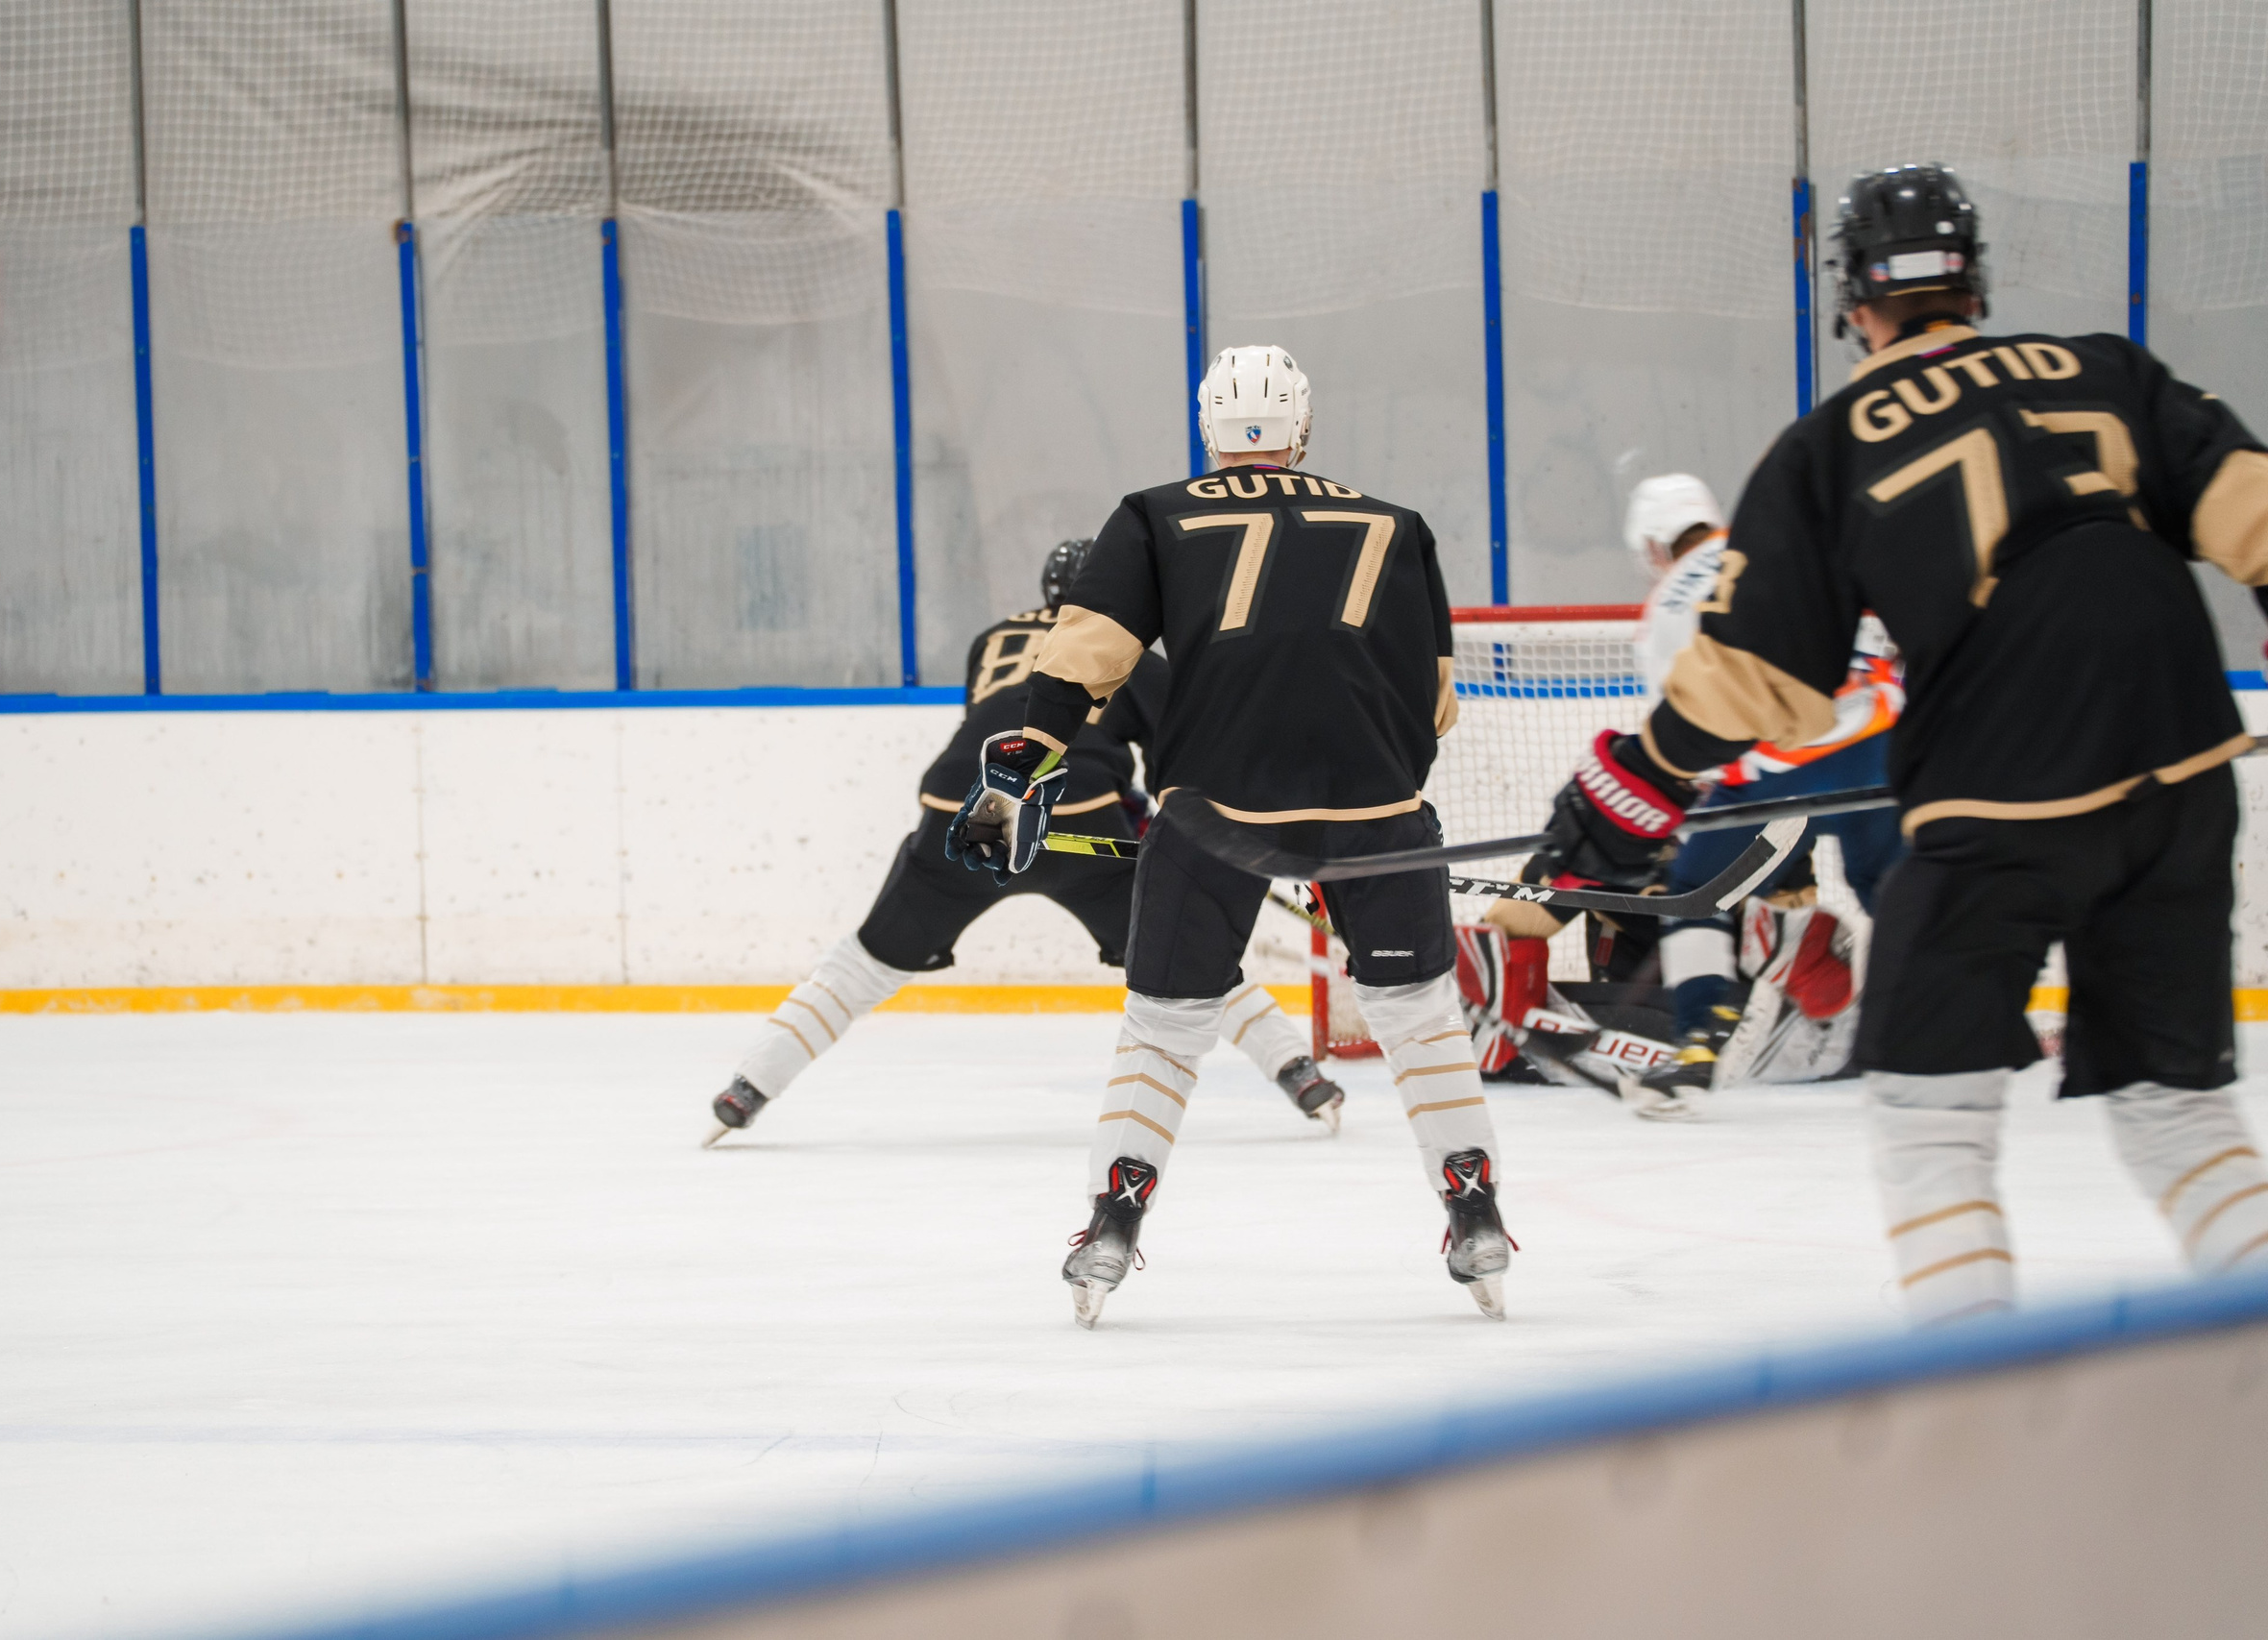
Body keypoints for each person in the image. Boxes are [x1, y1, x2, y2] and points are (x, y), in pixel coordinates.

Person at [1527, 163, 2268, 1323]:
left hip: (1996, 792)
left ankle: (1971, 1410)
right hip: (2180, 767)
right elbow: (2253, 511)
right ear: (1970, 281)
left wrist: (1640, 771)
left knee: (1930, 1114)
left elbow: (1763, 677)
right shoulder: (2106, 369)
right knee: (2177, 1109)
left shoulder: (1829, 448)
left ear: (1852, 297)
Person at [952, 346, 1512, 1327]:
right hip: (1376, 812)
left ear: (1208, 424)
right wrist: (1370, 798)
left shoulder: (1155, 514)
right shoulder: (1397, 524)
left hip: (1213, 811)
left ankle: (1113, 1223)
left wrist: (1015, 773)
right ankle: (1475, 1213)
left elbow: (1085, 658)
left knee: (1166, 1025)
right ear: (1302, 427)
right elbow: (1433, 705)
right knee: (1417, 1015)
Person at [704, 538, 1345, 1147]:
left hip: (962, 813)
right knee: (1189, 958)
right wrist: (1167, 825)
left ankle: (748, 1088)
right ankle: (1301, 1076)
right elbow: (1175, 767)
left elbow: (994, 726)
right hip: (1079, 813)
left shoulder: (993, 639)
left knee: (867, 959)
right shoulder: (1133, 653)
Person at [1614, 473, 1908, 1115]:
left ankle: (1700, 1041)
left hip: (1775, 766)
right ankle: (1933, 1027)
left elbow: (1686, 726)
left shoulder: (1667, 603)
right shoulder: (1791, 544)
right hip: (1880, 743)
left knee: (1695, 888)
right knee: (1893, 889)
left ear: (1656, 544)